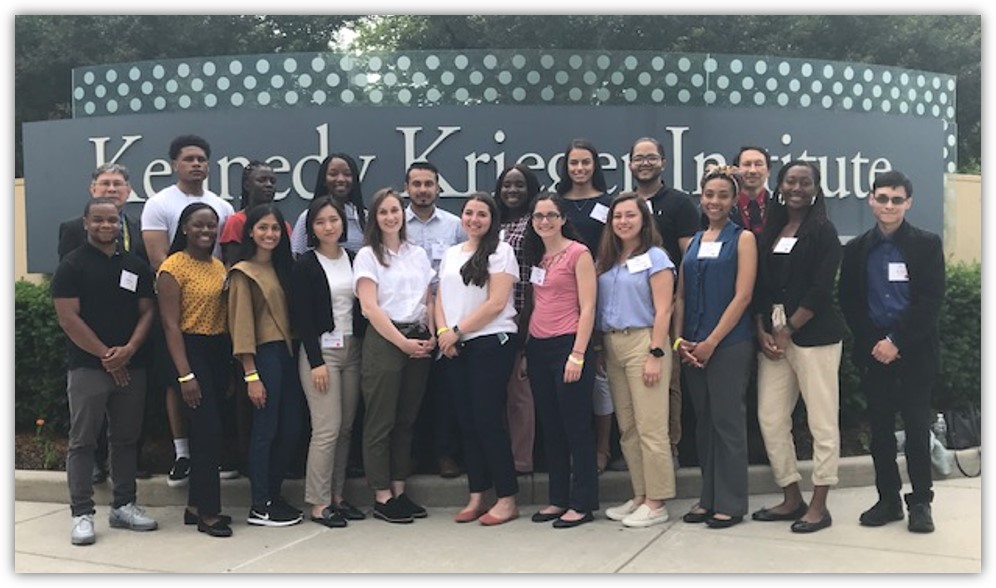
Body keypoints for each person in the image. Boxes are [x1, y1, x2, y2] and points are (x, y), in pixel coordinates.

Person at [838, 170, 944, 534]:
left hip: (914, 352)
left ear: (908, 203)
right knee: (880, 432)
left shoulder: (926, 245)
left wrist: (896, 341)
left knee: (916, 429)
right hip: (874, 354)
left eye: (896, 199)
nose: (889, 205)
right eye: (882, 198)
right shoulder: (854, 250)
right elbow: (849, 302)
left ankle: (921, 504)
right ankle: (888, 500)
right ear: (871, 200)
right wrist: (875, 343)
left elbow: (930, 301)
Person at [51, 196, 159, 546]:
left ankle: (124, 505)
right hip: (88, 367)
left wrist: (127, 351)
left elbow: (147, 312)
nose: (105, 225)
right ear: (85, 222)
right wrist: (105, 355)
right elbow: (69, 318)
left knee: (126, 440)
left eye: (111, 220)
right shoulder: (71, 265)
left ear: (120, 222)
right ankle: (81, 513)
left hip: (132, 366)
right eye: (97, 220)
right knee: (83, 441)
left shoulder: (135, 265)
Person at [749, 161, 845, 534]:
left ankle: (820, 505)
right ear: (781, 185)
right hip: (772, 336)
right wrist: (762, 329)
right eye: (791, 181)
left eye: (805, 182)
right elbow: (760, 285)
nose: (797, 188)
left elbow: (821, 289)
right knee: (770, 418)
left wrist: (789, 328)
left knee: (822, 421)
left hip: (813, 335)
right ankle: (792, 496)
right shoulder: (772, 229)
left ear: (816, 188)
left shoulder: (824, 231)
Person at [141, 134, 235, 488]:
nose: (196, 164)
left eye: (202, 159)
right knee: (179, 384)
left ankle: (210, 456)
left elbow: (221, 256)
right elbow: (158, 259)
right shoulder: (159, 203)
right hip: (178, 313)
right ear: (174, 164)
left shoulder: (220, 206)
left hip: (214, 314)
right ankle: (183, 453)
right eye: (189, 159)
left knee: (211, 399)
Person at [674, 165, 757, 529]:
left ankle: (732, 502)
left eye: (723, 195)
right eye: (709, 195)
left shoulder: (743, 239)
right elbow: (680, 294)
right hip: (691, 345)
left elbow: (743, 297)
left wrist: (711, 342)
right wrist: (679, 340)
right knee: (704, 425)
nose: (715, 201)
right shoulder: (693, 240)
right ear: (701, 197)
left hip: (728, 345)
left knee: (727, 422)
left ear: (734, 198)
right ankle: (708, 498)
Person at [57, 162, 149, 485]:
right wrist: (104, 353)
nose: (112, 189)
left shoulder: (139, 228)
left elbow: (144, 296)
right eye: (105, 183)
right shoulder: (72, 232)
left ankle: (126, 482)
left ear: (128, 191)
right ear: (92, 190)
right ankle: (94, 468)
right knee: (86, 428)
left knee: (126, 429)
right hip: (90, 350)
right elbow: (70, 298)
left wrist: (129, 348)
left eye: (118, 184)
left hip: (130, 345)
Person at [435, 193, 521, 526]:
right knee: (467, 422)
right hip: (456, 345)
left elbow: (496, 303)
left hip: (491, 342)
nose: (474, 219)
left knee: (487, 419)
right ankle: (477, 493)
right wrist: (444, 332)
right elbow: (440, 297)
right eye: (468, 213)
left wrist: (456, 331)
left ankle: (507, 497)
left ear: (492, 218)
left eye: (481, 214)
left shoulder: (502, 252)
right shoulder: (451, 253)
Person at [353, 187, 436, 524]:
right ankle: (382, 495)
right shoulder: (367, 256)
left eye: (394, 210)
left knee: (405, 420)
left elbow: (428, 297)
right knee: (380, 421)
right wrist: (402, 343)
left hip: (418, 337)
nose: (390, 216)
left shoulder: (416, 254)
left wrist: (430, 333)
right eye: (383, 212)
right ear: (375, 218)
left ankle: (400, 491)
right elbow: (370, 308)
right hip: (387, 339)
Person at [596, 193, 676, 528]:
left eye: (630, 215)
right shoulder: (609, 260)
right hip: (614, 345)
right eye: (618, 216)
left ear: (644, 220)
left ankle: (657, 502)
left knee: (651, 427)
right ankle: (641, 495)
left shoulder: (655, 257)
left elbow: (664, 309)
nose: (623, 222)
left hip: (645, 342)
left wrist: (656, 353)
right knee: (627, 428)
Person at [157, 203, 233, 538]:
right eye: (199, 226)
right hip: (189, 350)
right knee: (208, 432)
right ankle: (209, 513)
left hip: (217, 350)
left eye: (211, 226)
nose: (206, 231)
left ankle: (193, 506)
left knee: (212, 432)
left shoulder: (218, 266)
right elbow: (170, 326)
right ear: (185, 228)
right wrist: (185, 375)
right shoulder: (173, 267)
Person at [291, 196, 368, 528]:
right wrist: (316, 361)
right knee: (326, 428)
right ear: (312, 228)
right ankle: (319, 503)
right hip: (321, 353)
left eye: (333, 220)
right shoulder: (305, 265)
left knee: (346, 428)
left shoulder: (354, 258)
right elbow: (303, 318)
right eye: (320, 222)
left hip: (354, 349)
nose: (328, 227)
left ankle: (337, 497)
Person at [523, 192, 599, 528]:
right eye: (538, 216)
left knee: (576, 428)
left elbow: (589, 308)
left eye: (551, 215)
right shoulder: (537, 257)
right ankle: (558, 498)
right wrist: (527, 351)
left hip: (569, 346)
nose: (544, 222)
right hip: (539, 348)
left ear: (563, 218)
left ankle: (582, 503)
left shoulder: (578, 254)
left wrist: (578, 354)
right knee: (550, 428)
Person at [227, 204, 304, 527]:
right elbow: (240, 325)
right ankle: (260, 503)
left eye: (275, 228)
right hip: (263, 357)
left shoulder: (284, 268)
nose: (269, 234)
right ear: (251, 232)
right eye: (263, 228)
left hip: (289, 355)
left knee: (291, 428)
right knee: (265, 430)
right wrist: (251, 374)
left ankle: (274, 494)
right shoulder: (242, 273)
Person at [629, 137, 700, 471]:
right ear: (629, 164)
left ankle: (668, 449)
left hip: (664, 308)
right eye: (639, 158)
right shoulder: (625, 203)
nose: (645, 163)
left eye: (651, 157)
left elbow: (689, 257)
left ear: (663, 163)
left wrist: (679, 300)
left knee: (666, 381)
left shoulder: (679, 204)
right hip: (629, 310)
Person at [555, 138, 616, 475]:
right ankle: (572, 446)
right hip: (562, 297)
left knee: (601, 372)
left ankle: (603, 447)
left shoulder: (608, 204)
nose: (579, 169)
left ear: (595, 166)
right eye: (574, 163)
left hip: (600, 292)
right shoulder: (556, 203)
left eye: (586, 163)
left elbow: (614, 245)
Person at [403, 161, 466, 479]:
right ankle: (412, 455)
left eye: (428, 184)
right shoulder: (395, 221)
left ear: (439, 187)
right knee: (412, 391)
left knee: (444, 391)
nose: (423, 190)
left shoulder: (455, 225)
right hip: (407, 318)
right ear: (407, 187)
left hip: (446, 316)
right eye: (417, 184)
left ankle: (445, 454)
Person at [495, 164, 541, 475]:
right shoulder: (493, 223)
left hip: (524, 318)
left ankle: (521, 460)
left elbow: (534, 277)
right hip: (491, 321)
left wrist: (526, 327)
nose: (512, 191)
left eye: (519, 185)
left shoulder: (534, 224)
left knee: (520, 396)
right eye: (507, 185)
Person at [291, 153, 367, 256]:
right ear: (324, 180)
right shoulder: (308, 217)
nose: (340, 179)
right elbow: (296, 255)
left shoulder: (365, 218)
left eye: (347, 174)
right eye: (333, 174)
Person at [220, 160, 285, 267]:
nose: (269, 185)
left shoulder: (282, 224)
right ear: (247, 185)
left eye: (272, 181)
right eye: (262, 180)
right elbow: (232, 262)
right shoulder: (236, 221)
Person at [729, 146, 773, 236]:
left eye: (758, 164)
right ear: (736, 171)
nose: (752, 170)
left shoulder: (779, 208)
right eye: (747, 164)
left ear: (768, 171)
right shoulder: (725, 208)